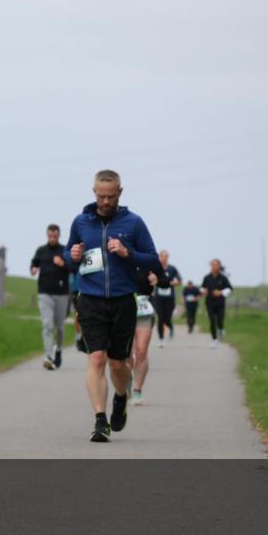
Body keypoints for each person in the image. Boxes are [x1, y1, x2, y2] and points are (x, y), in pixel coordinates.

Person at [65, 169, 159, 443]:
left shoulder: (134, 223)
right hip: (90, 299)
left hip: (122, 300)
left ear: (120, 192)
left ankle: (121, 397)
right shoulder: (81, 222)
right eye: (100, 196)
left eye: (111, 196)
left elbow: (152, 260)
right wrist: (71, 254)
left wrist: (128, 253)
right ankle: (99, 420)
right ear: (93, 192)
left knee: (118, 363)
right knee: (96, 358)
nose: (105, 201)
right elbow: (69, 253)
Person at [31, 224, 71, 370]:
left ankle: (58, 349)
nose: (52, 238)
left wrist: (62, 264)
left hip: (61, 294)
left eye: (55, 236)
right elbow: (34, 264)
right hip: (44, 293)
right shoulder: (41, 251)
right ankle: (48, 355)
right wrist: (33, 269)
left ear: (59, 235)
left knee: (60, 328)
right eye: (50, 236)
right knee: (47, 325)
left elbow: (73, 268)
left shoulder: (64, 250)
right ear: (47, 235)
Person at [129, 265, 170, 406]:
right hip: (122, 309)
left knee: (141, 351)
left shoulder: (149, 259)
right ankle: (126, 382)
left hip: (144, 310)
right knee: (126, 353)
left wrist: (157, 279)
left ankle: (137, 390)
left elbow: (166, 282)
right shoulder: (116, 256)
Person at [152, 250, 182, 348]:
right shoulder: (155, 268)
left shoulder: (172, 269)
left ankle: (171, 327)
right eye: (162, 256)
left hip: (169, 298)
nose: (163, 258)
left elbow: (179, 280)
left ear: (168, 257)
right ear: (159, 257)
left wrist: (171, 283)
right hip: (158, 298)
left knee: (167, 318)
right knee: (160, 317)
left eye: (165, 256)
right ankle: (161, 339)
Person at [200, 259, 233, 348]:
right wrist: (203, 291)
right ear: (211, 266)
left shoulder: (223, 278)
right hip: (210, 302)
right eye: (213, 265)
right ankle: (214, 339)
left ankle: (221, 329)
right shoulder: (207, 277)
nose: (214, 267)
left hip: (220, 303)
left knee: (220, 320)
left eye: (216, 265)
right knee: (212, 321)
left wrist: (221, 293)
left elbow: (229, 288)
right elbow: (202, 288)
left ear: (219, 266)